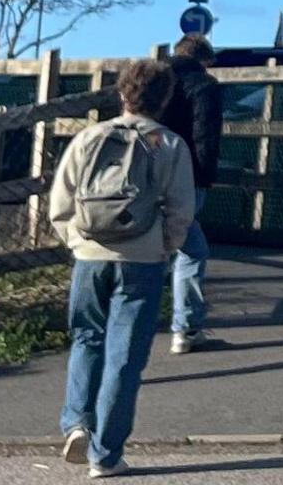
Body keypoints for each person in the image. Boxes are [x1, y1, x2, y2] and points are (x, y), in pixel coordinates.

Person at [48, 58, 199, 476]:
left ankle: (76, 422)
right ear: (165, 99)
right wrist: (164, 246)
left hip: (90, 259)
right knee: (125, 357)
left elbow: (60, 205)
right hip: (142, 259)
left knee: (86, 339)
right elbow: (181, 211)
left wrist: (80, 243)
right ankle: (106, 454)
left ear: (122, 94)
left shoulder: (90, 138)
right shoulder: (169, 145)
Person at [156, 37, 226, 354]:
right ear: (204, 60)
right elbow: (204, 135)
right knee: (190, 249)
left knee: (149, 247)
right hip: (185, 176)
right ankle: (185, 329)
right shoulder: (204, 85)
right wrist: (203, 179)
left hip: (145, 174)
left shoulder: (153, 79)